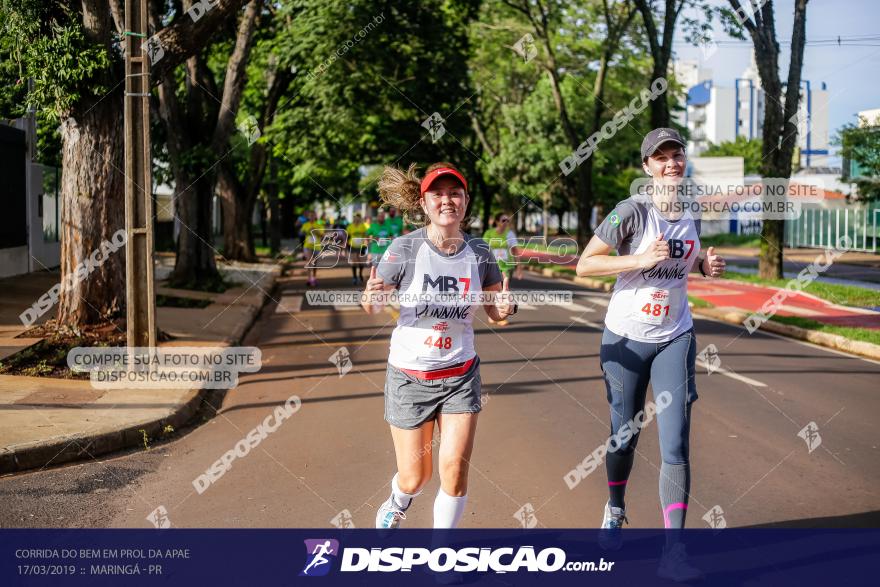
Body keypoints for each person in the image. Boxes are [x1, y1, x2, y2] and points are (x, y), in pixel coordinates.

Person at [575, 128, 725, 581]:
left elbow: (688, 257)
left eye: (676, 155)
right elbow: (585, 264)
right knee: (624, 434)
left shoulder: (692, 210)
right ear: (647, 167)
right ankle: (616, 504)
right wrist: (636, 259)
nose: (671, 164)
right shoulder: (631, 212)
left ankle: (673, 551)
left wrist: (703, 264)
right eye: (660, 158)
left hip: (675, 335)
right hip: (625, 337)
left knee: (676, 441)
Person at [362, 162, 517, 530]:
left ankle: (441, 555)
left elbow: (496, 311)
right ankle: (399, 499)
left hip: (461, 374)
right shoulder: (405, 249)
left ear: (465, 201)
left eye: (455, 193)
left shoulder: (480, 252)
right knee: (416, 477)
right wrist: (371, 296)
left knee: (453, 470)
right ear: (425, 202)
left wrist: (505, 306)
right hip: (409, 377)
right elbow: (375, 305)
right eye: (438, 194)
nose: (447, 200)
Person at [482, 212, 523, 326]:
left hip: (506, 266)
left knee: (504, 290)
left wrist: (519, 267)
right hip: (492, 266)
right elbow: (483, 249)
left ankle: (501, 314)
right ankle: (491, 314)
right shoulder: (489, 233)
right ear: (496, 222)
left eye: (507, 220)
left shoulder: (509, 234)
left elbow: (515, 251)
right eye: (503, 220)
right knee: (492, 290)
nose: (505, 223)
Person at [300, 210, 325, 287]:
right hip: (307, 246)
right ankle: (309, 278)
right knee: (309, 262)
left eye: (313, 215)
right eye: (310, 216)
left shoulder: (319, 225)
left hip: (316, 246)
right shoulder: (305, 225)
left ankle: (314, 277)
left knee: (314, 264)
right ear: (308, 217)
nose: (311, 217)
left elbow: (322, 236)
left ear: (315, 216)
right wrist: (307, 231)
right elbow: (301, 233)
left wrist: (315, 231)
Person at [346, 213, 369, 285]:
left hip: (360, 246)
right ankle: (355, 277)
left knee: (361, 261)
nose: (356, 218)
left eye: (358, 217)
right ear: (353, 218)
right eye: (355, 217)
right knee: (354, 261)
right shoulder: (350, 226)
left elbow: (365, 236)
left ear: (359, 218)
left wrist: (365, 245)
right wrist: (347, 245)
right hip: (352, 246)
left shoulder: (363, 226)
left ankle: (360, 274)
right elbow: (348, 236)